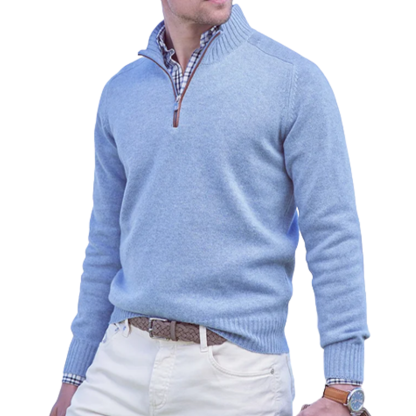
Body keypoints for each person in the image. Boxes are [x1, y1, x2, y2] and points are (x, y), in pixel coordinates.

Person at [49, 1, 371, 415]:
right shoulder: (121, 92)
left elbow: (332, 232)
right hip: (119, 364)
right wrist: (75, 375)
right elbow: (106, 242)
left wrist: (343, 386)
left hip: (236, 375)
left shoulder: (293, 81)